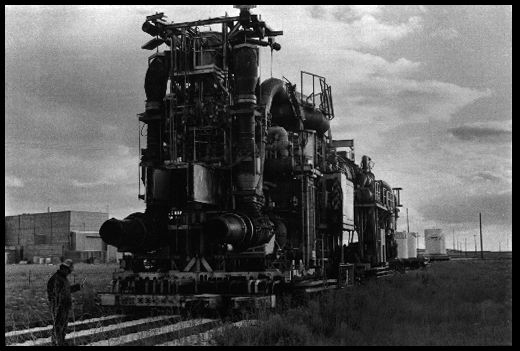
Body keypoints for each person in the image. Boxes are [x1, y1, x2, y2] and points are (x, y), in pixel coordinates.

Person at [47, 259, 82, 346]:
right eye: (69, 271)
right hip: (59, 306)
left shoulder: (63, 278)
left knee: (63, 326)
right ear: (64, 268)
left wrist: (77, 287)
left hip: (65, 306)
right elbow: (54, 294)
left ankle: (61, 341)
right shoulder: (56, 279)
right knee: (58, 325)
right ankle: (56, 343)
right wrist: (57, 305)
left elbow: (67, 290)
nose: (69, 273)